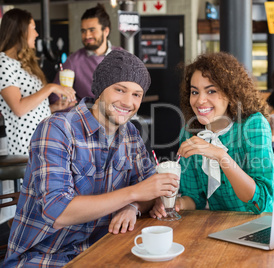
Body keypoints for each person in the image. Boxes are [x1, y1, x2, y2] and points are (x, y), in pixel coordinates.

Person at [3, 50, 179, 267]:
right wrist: (134, 193)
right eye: (120, 90)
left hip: (103, 251)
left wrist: (133, 206)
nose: (127, 101)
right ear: (100, 89)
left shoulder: (131, 134)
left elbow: (151, 190)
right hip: (45, 257)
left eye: (136, 94)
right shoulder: (57, 128)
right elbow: (58, 212)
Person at [150, 52, 274, 219]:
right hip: (218, 227)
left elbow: (261, 202)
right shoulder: (189, 133)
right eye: (194, 92)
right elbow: (196, 199)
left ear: (231, 93)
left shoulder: (253, 125)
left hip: (258, 223)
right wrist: (176, 203)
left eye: (211, 91)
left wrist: (220, 156)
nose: (200, 100)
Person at [0, 8, 76, 155]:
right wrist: (51, 88)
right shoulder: (3, 62)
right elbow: (19, 108)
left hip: (39, 140)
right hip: (22, 146)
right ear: (21, 31)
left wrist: (53, 107)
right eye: (33, 28)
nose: (36, 34)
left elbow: (31, 107)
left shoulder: (23, 64)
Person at [50, 3, 123, 104]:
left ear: (106, 31)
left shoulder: (123, 56)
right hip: (87, 118)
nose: (87, 35)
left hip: (120, 116)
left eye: (92, 30)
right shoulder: (73, 61)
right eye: (83, 31)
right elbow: (55, 98)